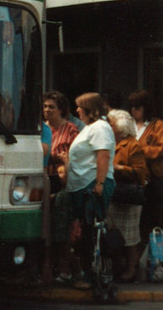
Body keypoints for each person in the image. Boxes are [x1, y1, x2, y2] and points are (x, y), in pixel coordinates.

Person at [60, 92, 116, 289]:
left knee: (89, 233)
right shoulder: (89, 128)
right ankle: (85, 275)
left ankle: (92, 277)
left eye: (80, 107)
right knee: (82, 232)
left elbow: (103, 155)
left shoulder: (100, 127)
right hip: (81, 186)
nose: (77, 110)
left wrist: (99, 183)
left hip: (91, 185)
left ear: (89, 109)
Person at [106, 109, 148, 282]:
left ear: (119, 127)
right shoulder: (110, 141)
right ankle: (117, 265)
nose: (108, 126)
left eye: (111, 123)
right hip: (114, 194)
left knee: (129, 236)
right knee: (112, 231)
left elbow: (141, 173)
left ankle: (131, 268)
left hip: (128, 196)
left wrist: (119, 168)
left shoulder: (132, 145)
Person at [44, 91, 80, 283]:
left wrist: (65, 160)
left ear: (61, 110)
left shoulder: (71, 130)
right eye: (45, 106)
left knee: (61, 228)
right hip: (46, 180)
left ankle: (68, 269)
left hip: (65, 183)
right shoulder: (42, 129)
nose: (47, 110)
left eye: (52, 107)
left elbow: (78, 156)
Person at [129, 89, 163, 271]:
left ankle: (151, 260)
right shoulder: (130, 125)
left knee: (151, 218)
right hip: (133, 177)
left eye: (138, 107)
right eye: (132, 107)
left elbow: (160, 149)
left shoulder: (157, 125)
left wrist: (139, 150)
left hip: (153, 177)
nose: (134, 111)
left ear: (146, 108)